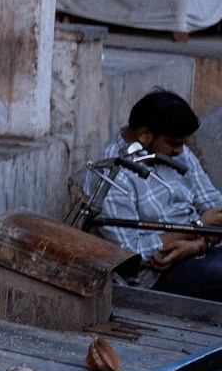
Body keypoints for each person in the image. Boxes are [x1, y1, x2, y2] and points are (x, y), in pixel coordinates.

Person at [85, 89, 222, 296]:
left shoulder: (175, 150)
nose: (180, 151)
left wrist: (200, 243)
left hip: (202, 247)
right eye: (175, 144)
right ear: (144, 135)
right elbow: (130, 253)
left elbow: (214, 206)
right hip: (158, 273)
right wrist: (197, 227)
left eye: (182, 144)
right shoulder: (112, 175)